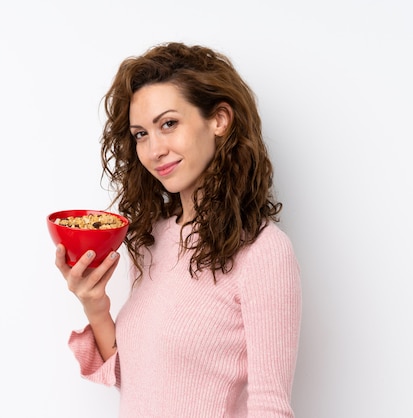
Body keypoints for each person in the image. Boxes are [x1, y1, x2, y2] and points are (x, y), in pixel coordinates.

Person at [54, 42, 302, 417]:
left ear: (219, 119)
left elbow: (270, 406)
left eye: (168, 124)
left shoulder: (263, 251)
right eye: (141, 134)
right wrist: (95, 305)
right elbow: (143, 384)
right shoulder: (155, 238)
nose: (154, 150)